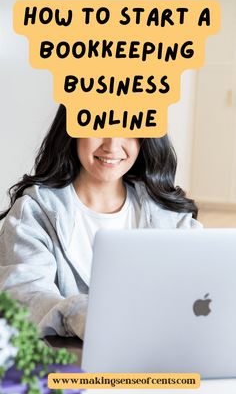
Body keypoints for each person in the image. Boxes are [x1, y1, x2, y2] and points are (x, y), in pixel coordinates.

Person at [0, 105, 202, 340]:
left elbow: (202, 291)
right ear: (72, 129)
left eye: (128, 127)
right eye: (98, 125)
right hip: (70, 368)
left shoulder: (169, 215)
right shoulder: (34, 213)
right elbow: (24, 297)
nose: (112, 146)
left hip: (158, 359)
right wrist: (82, 315)